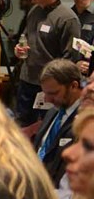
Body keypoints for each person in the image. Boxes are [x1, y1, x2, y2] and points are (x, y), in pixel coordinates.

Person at [14, 0, 82, 126]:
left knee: (46, 126)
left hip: (50, 86)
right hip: (27, 80)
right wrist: (19, 49)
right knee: (21, 125)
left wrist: (56, 84)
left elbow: (70, 57)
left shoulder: (67, 18)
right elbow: (25, 38)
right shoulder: (34, 11)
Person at [33, 59, 85, 187]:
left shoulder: (85, 120)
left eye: (53, 93)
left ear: (73, 86)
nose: (47, 99)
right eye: (45, 93)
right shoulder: (52, 112)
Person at [68, 0, 93, 76]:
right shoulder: (65, 16)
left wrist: (89, 64)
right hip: (65, 65)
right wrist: (74, 63)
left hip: (85, 68)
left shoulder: (92, 19)